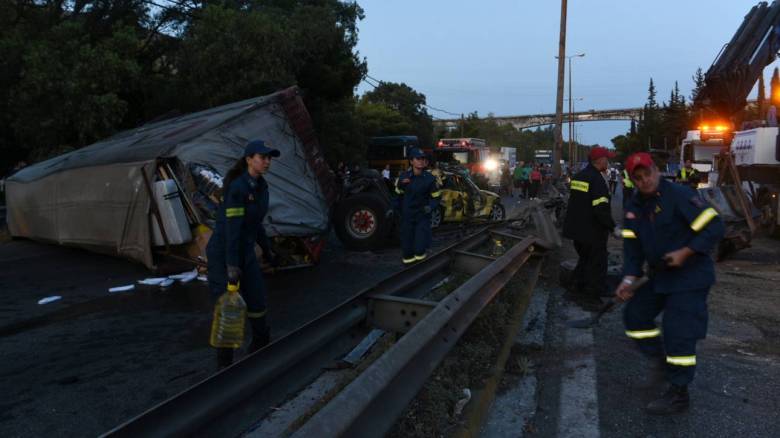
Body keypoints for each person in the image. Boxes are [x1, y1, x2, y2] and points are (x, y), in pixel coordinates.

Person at [616, 152, 724, 415]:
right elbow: (633, 252)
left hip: (690, 276)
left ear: (656, 170)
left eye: (648, 174)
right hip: (660, 276)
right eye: (638, 178)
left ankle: (678, 392)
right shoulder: (633, 209)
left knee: (678, 332)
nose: (645, 181)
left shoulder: (679, 195)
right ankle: (662, 362)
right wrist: (628, 280)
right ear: (632, 180)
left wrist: (686, 252)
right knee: (635, 316)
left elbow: (714, 226)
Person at [207, 139, 279, 368]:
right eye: (262, 157)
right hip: (225, 253)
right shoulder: (238, 188)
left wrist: (268, 250)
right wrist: (231, 265)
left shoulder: (261, 187)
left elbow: (256, 224)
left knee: (257, 301)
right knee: (230, 308)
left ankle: (260, 348)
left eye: (269, 157)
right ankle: (224, 366)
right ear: (249, 159)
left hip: (245, 251)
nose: (267, 161)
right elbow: (232, 230)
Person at [562, 146, 618, 307]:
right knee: (597, 264)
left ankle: (574, 290)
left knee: (584, 260)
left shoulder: (579, 176)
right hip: (592, 232)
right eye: (606, 158)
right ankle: (591, 298)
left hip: (576, 231)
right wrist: (612, 227)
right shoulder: (597, 180)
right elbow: (600, 210)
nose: (608, 161)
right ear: (599, 161)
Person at [394, 148, 441, 264]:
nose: (421, 161)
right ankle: (408, 270)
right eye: (418, 159)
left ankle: (420, 267)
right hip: (407, 218)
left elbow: (436, 197)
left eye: (423, 159)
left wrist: (430, 207)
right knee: (407, 250)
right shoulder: (403, 177)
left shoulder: (430, 179)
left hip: (422, 216)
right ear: (411, 161)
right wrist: (393, 209)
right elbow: (397, 196)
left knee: (420, 248)